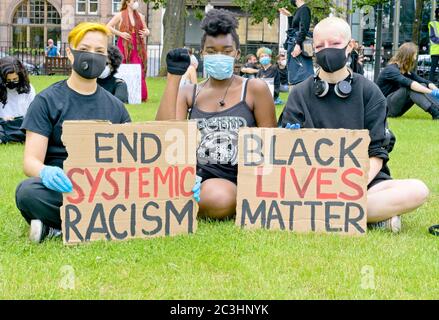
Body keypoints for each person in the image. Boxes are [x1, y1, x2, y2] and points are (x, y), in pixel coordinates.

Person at [279, 17, 429, 233]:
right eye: (320, 46)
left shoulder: (370, 92)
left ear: (349, 46)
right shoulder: (299, 93)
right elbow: (285, 154)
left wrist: (353, 186)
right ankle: (370, 216)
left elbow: (377, 152)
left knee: (418, 190)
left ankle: (325, 213)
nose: (326, 50)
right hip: (311, 185)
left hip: (363, 182)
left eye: (335, 44)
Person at [15, 23, 132, 243]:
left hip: (106, 188)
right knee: (28, 192)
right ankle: (102, 223)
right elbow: (31, 162)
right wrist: (48, 173)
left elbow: (134, 160)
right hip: (64, 186)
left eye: (99, 52)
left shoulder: (117, 107)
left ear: (106, 57)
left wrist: (175, 181)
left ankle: (58, 227)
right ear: (70, 53)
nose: (92, 56)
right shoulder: (46, 101)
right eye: (85, 49)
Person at [156, 9, 277, 220]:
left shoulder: (254, 89)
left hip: (234, 178)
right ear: (202, 53)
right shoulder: (189, 91)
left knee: (219, 199)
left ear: (237, 54)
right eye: (211, 51)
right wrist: (174, 78)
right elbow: (164, 134)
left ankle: (185, 202)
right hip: (194, 176)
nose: (218, 56)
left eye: (226, 51)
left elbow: (271, 143)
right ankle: (182, 197)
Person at [376, 42, 439, 120]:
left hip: (396, 108)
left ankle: (437, 109)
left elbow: (425, 82)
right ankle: (435, 112)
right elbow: (411, 84)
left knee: (422, 84)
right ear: (408, 56)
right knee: (409, 88)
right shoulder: (391, 70)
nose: (415, 58)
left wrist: (436, 90)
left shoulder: (404, 71)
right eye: (415, 55)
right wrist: (431, 92)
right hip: (384, 109)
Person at [107, 0, 150, 101]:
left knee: (139, 68)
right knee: (121, 68)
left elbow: (147, 30)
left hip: (137, 47)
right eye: (133, 0)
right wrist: (120, 34)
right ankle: (119, 93)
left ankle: (140, 95)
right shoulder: (120, 15)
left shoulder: (141, 16)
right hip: (124, 45)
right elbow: (108, 26)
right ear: (127, 2)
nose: (136, 2)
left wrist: (146, 33)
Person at [0, 57, 35, 143]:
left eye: (15, 79)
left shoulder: (28, 89)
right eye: (8, 80)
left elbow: (33, 113)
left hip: (21, 123)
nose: (11, 82)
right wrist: (4, 118)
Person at [279, 0, 314, 86]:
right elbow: (294, 28)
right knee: (295, 71)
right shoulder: (300, 10)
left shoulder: (304, 9)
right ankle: (297, 95)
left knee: (302, 72)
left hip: (297, 43)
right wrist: (290, 16)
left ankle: (303, 94)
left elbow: (304, 28)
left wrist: (298, 44)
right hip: (295, 42)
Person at [429, 8, 439, 83]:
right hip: (435, 51)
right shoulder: (433, 23)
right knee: (433, 69)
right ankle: (430, 85)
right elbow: (432, 37)